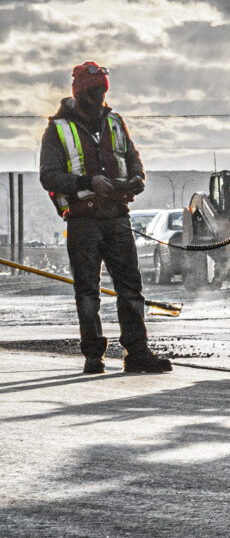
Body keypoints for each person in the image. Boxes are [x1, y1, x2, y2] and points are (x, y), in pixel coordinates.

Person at [36, 62, 171, 375]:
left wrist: (137, 179)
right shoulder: (57, 129)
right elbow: (49, 176)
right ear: (80, 93)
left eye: (103, 91)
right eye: (94, 91)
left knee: (131, 289)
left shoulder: (115, 122)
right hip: (83, 221)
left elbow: (134, 160)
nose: (99, 97)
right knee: (87, 292)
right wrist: (88, 182)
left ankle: (137, 354)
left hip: (117, 217)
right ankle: (93, 357)